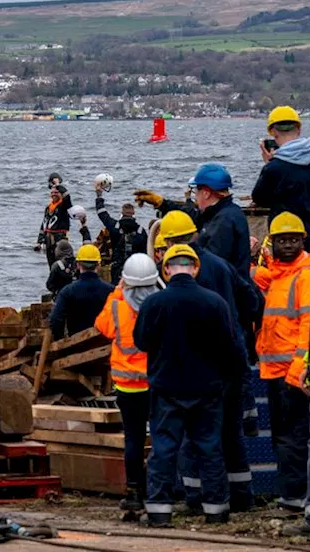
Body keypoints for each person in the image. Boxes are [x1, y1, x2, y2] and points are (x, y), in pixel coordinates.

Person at [136, 245, 248, 527]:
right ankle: (216, 510)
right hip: (207, 389)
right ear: (196, 268)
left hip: (166, 388)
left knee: (163, 450)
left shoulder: (154, 303)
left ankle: (159, 511)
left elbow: (141, 341)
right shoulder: (215, 303)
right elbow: (231, 348)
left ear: (166, 270)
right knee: (210, 449)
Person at [159, 210, 258, 512]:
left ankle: (196, 498)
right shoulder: (221, 265)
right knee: (232, 433)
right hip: (233, 359)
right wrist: (243, 332)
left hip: (202, 368)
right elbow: (253, 299)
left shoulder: (183, 276)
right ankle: (242, 497)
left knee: (197, 435)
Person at [253, 213, 310, 511]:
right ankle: (292, 494)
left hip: (293, 373)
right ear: (272, 243)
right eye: (282, 240)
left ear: (303, 241)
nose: (288, 245)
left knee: (294, 438)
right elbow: (270, 279)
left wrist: (300, 367)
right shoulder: (281, 275)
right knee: (283, 436)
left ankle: (295, 497)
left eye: (293, 240)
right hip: (275, 371)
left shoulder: (307, 275)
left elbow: (308, 324)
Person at [95, 253, 160, 517]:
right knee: (160, 437)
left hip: (127, 386)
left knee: (133, 439)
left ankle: (134, 492)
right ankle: (159, 490)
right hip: (155, 382)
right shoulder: (158, 304)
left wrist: (116, 293)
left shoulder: (117, 306)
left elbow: (102, 326)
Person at [135, 164, 251, 279]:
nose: (195, 198)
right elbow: (193, 217)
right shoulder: (221, 213)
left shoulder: (224, 221)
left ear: (206, 193)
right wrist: (162, 204)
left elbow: (211, 263)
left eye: (196, 193)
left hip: (225, 289)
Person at [253, 105, 310, 250]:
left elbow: (260, 198)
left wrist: (268, 164)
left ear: (273, 133)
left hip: (290, 240)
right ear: (298, 130)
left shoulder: (274, 168)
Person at [48, 244, 113, 340]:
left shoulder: (67, 292)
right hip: (104, 343)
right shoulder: (111, 291)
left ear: (78, 265)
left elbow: (55, 320)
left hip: (76, 345)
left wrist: (60, 340)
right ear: (98, 265)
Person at [97, 188, 148, 285]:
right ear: (133, 215)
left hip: (117, 269)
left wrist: (99, 196)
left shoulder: (115, 227)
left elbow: (102, 213)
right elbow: (145, 253)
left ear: (122, 214)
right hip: (135, 270)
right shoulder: (141, 232)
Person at [36, 181, 73, 267]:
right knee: (51, 264)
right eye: (52, 193)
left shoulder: (63, 206)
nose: (54, 194)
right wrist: (39, 241)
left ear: (60, 193)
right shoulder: (48, 208)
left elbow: (67, 197)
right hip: (49, 240)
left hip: (60, 239)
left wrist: (58, 186)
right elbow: (44, 224)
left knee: (61, 264)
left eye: (56, 192)